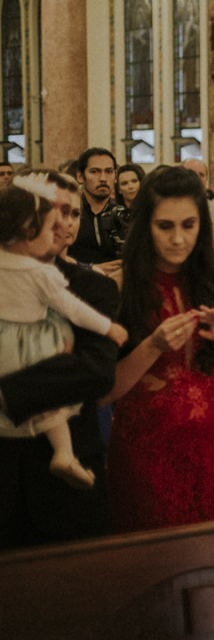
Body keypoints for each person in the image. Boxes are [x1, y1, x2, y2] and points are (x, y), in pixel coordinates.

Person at [102, 167, 214, 532]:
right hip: (147, 448)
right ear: (145, 227)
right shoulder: (119, 286)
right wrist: (153, 346)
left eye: (188, 225)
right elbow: (102, 392)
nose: (178, 239)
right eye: (165, 226)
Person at [0, 171, 121, 548]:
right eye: (52, 211)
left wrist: (7, 391)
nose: (61, 222)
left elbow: (95, 371)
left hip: (64, 487)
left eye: (71, 213)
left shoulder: (93, 288)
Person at [69, 147, 125, 272]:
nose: (103, 178)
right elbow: (53, 257)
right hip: (75, 283)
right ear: (80, 176)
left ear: (115, 176)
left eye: (109, 172)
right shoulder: (67, 213)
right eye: (94, 172)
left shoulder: (121, 214)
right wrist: (90, 268)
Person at [180, 159, 214, 271]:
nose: (196, 178)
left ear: (206, 180)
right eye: (191, 173)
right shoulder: (173, 209)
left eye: (201, 175)